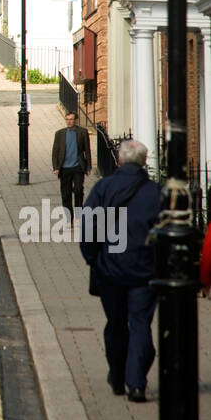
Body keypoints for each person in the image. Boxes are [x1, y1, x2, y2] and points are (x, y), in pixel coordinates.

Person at [79, 139, 162, 402]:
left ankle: (117, 376)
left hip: (110, 271)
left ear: (120, 161)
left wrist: (93, 259)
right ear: (144, 162)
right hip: (144, 273)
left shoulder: (104, 187)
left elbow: (89, 228)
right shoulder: (156, 193)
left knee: (115, 324)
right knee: (140, 325)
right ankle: (136, 383)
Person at [52, 110, 91, 223]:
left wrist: (88, 167)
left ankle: (78, 215)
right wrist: (56, 167)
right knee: (66, 194)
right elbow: (55, 151)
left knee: (78, 190)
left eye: (71, 120)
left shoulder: (82, 132)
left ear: (76, 120)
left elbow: (87, 151)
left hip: (78, 166)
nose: (69, 122)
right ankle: (69, 219)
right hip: (64, 168)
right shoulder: (59, 134)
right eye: (67, 119)